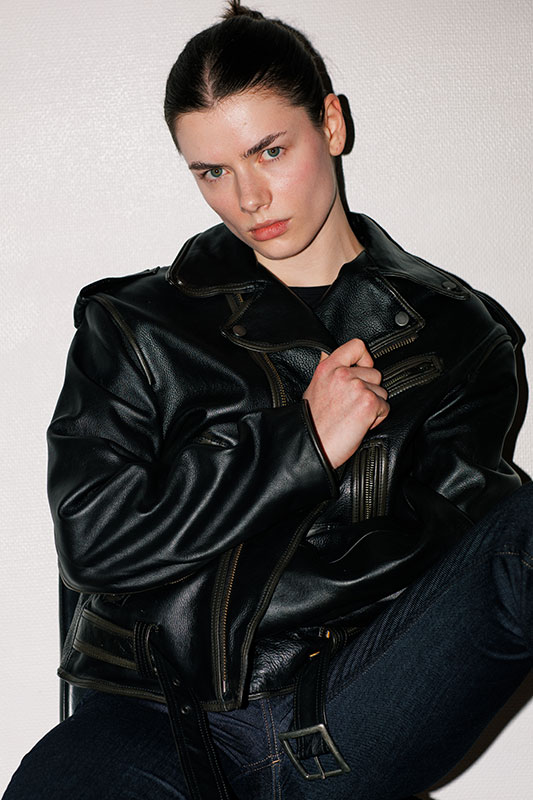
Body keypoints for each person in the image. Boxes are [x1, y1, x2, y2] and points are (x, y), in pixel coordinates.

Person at [4, 2, 532, 799]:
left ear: (331, 124)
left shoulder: (458, 336)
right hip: (158, 715)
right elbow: (96, 541)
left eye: (270, 151)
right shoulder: (136, 326)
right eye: (212, 171)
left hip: (351, 705)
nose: (248, 197)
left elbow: (451, 571)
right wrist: (301, 446)